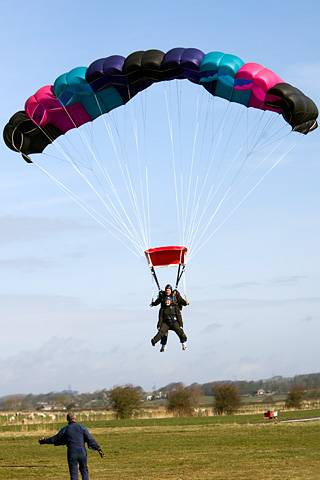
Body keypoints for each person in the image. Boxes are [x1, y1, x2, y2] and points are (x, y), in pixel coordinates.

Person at [38, 412, 104, 480]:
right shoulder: (82, 427)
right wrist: (98, 448)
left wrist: (44, 441)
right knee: (84, 470)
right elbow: (90, 439)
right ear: (75, 418)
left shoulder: (65, 429)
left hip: (72, 452)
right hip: (82, 452)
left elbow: (55, 439)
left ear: (67, 419)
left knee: (73, 473)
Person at [150, 284, 189, 352]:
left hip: (174, 321)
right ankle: (157, 342)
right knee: (162, 332)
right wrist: (159, 325)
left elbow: (179, 315)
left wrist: (181, 325)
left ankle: (184, 344)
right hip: (166, 322)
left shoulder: (175, 297)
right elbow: (160, 318)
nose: (167, 291)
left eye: (169, 290)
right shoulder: (162, 302)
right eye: (166, 290)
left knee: (180, 332)